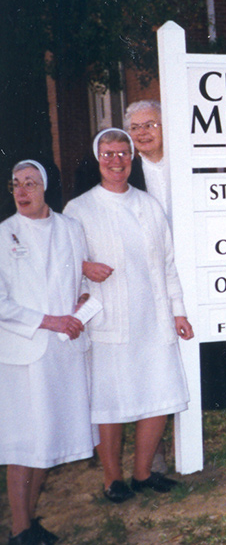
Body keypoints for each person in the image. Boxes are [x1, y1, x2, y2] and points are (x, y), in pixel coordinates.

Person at [64, 128, 194, 503]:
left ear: (132, 158)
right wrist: (84, 266)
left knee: (159, 391)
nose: (116, 161)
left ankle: (142, 473)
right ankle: (112, 478)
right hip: (109, 319)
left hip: (152, 315)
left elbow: (167, 263)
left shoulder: (149, 205)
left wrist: (178, 311)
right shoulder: (80, 208)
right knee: (110, 401)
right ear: (97, 158)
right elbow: (63, 261)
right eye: (108, 154)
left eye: (122, 154)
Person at [1, 160, 96, 545]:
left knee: (48, 439)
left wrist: (83, 300)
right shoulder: (4, 235)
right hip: (24, 353)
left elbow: (82, 278)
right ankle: (20, 528)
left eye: (31, 183)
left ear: (46, 188)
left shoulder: (71, 228)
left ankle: (28, 524)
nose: (22, 191)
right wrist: (50, 320)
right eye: (16, 184)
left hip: (62, 352)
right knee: (24, 442)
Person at [123, 101, 226, 414]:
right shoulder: (125, 173)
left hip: (191, 265)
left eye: (150, 125)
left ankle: (199, 406)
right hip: (146, 272)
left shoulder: (191, 164)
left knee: (198, 334)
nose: (142, 132)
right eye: (135, 127)